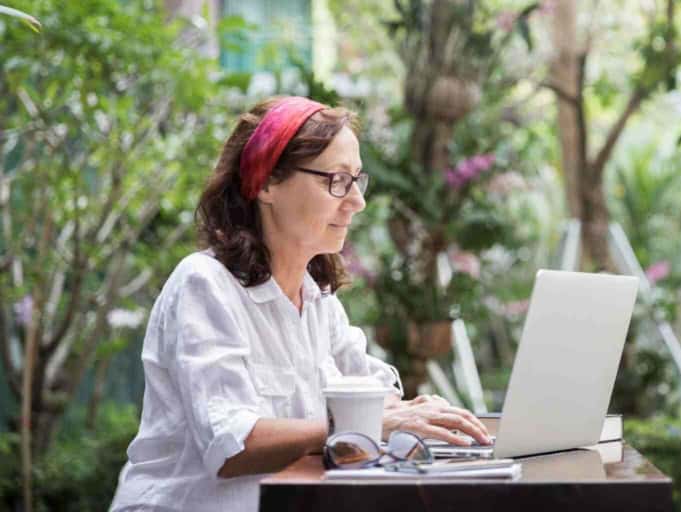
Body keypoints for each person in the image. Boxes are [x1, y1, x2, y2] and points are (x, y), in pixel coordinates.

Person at [110, 96, 491, 511]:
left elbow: (367, 393)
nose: (356, 202)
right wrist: (369, 423)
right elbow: (232, 445)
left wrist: (415, 412)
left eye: (356, 181)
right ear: (268, 182)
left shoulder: (318, 300)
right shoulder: (204, 285)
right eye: (336, 181)